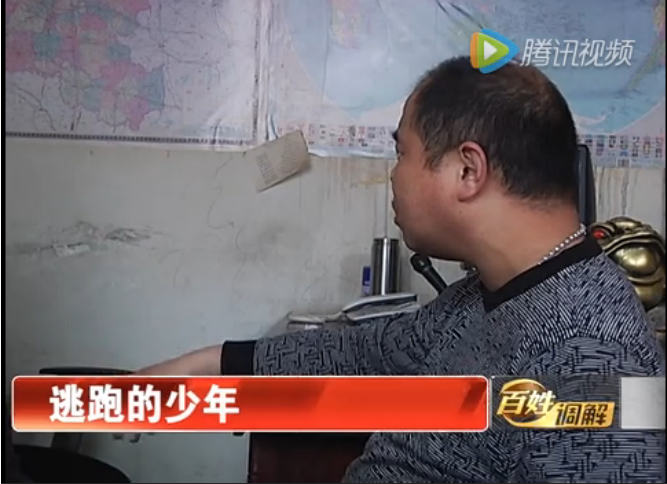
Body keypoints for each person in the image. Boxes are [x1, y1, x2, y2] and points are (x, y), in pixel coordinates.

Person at [139, 56, 665, 483]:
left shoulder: (590, 358)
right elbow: (371, 353)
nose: (394, 176)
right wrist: (208, 364)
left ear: (468, 170)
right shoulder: (488, 295)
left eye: (402, 153)